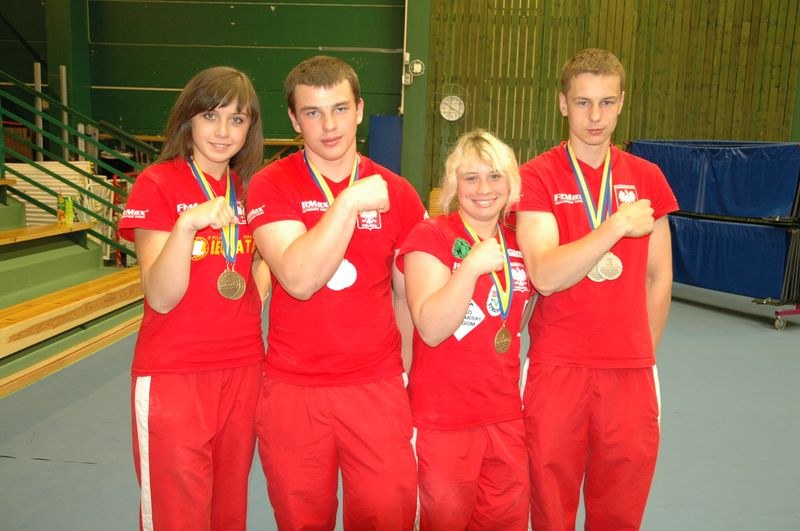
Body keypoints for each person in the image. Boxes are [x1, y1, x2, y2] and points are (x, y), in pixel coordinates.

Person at [245, 55, 424, 530]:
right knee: (302, 520)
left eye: (340, 109)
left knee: (388, 514)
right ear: (293, 119)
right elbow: (298, 279)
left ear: (360, 110)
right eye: (313, 112)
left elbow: (406, 298)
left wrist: (401, 375)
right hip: (294, 390)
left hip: (376, 388)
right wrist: (347, 202)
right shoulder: (270, 185)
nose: (329, 126)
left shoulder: (399, 194)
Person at [515, 48, 678, 530]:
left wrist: (642, 353)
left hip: (630, 372)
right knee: (550, 507)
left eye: (607, 102)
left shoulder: (647, 178)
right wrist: (615, 226)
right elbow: (545, 274)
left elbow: (659, 277)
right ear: (563, 104)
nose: (595, 117)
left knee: (621, 510)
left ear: (622, 102)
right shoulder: (536, 176)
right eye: (583, 102)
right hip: (557, 366)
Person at [118, 66, 269, 530]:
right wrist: (186, 226)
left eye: (237, 119)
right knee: (177, 511)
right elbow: (160, 296)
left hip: (243, 367)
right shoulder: (158, 183)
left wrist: (253, 296)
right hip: (175, 372)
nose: (223, 132)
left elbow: (261, 263)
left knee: (228, 508)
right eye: (211, 116)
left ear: (250, 127)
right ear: (188, 118)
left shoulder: (250, 189)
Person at [397, 129, 532, 530]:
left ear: (510, 182)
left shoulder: (520, 243)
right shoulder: (430, 236)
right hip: (442, 419)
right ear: (454, 184)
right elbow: (431, 327)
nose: (484, 189)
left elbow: (517, 321)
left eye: (494, 176)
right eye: (471, 178)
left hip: (505, 416)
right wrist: (470, 267)